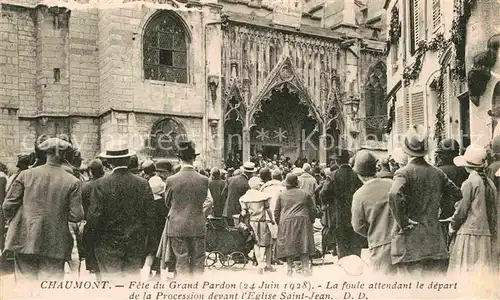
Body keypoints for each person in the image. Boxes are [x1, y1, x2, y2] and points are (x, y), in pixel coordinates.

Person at [3, 137, 84, 282]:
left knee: (25, 287)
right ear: (65, 155)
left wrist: (18, 221)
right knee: (49, 290)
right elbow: (76, 216)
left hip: (24, 239)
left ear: (46, 153)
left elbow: (8, 206)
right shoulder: (73, 181)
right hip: (55, 243)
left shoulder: (25, 175)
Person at [389, 124, 462, 277]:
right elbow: (458, 193)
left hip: (411, 244)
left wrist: (404, 221)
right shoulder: (438, 173)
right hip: (435, 243)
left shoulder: (402, 173)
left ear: (406, 150)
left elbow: (394, 194)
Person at [86, 140, 156, 279]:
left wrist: (89, 244)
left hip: (107, 246)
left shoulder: (100, 184)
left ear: (109, 162)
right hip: (134, 245)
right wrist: (149, 248)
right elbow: (150, 218)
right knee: (131, 285)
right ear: (129, 160)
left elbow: (94, 218)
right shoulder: (142, 184)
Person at [162, 141, 211, 277]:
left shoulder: (171, 180)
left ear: (179, 158)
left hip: (177, 226)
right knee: (198, 261)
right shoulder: (204, 179)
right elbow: (206, 201)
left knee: (181, 261)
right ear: (194, 158)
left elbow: (167, 203)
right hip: (197, 225)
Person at [448, 145, 498, 275]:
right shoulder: (490, 184)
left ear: (467, 165)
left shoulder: (469, 183)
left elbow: (461, 210)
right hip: (486, 234)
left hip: (469, 233)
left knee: (465, 272)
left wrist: (452, 227)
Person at [351, 150, 395, 274]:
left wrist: (373, 232)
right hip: (402, 244)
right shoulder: (392, 184)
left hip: (379, 247)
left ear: (358, 173)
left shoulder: (359, 195)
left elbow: (357, 226)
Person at [320, 148, 365, 259]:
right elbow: (362, 191)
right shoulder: (357, 174)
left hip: (338, 215)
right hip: (355, 213)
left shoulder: (332, 175)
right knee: (355, 244)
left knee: (342, 246)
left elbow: (323, 193)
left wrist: (328, 202)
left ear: (336, 161)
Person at [275, 173, 316, 276]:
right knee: (304, 244)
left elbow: (276, 211)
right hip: (303, 220)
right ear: (297, 182)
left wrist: (280, 223)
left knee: (289, 245)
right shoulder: (305, 194)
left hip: (287, 221)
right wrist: (312, 220)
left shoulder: (281, 195)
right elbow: (313, 209)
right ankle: (305, 268)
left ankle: (289, 269)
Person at [240, 177, 276, 274]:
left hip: (252, 222)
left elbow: (243, 212)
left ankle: (260, 263)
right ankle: (268, 264)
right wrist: (272, 220)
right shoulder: (263, 197)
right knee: (268, 243)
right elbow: (268, 210)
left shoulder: (245, 198)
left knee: (256, 243)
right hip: (262, 222)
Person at [81, 159, 105, 279]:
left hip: (91, 224)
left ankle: (97, 277)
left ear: (90, 172)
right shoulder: (106, 183)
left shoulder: (85, 187)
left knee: (93, 251)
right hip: (105, 224)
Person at [260, 169, 284, 265]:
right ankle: (276, 256)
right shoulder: (282, 188)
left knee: (267, 236)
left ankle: (266, 258)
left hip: (266, 213)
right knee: (277, 235)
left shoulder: (264, 187)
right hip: (279, 213)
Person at [222, 162, 256, 226]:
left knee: (229, 232)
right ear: (250, 173)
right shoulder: (247, 183)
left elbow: (224, 194)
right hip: (239, 213)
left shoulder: (230, 179)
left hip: (228, 210)